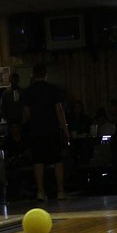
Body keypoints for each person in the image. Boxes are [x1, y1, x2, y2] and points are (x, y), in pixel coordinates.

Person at [21, 62, 70, 203]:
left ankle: (40, 192)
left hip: (36, 131)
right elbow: (59, 110)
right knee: (57, 160)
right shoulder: (53, 89)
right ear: (45, 75)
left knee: (38, 161)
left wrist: (35, 122)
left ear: (33, 75)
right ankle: (60, 191)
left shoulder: (28, 91)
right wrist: (65, 129)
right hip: (52, 129)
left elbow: (26, 113)